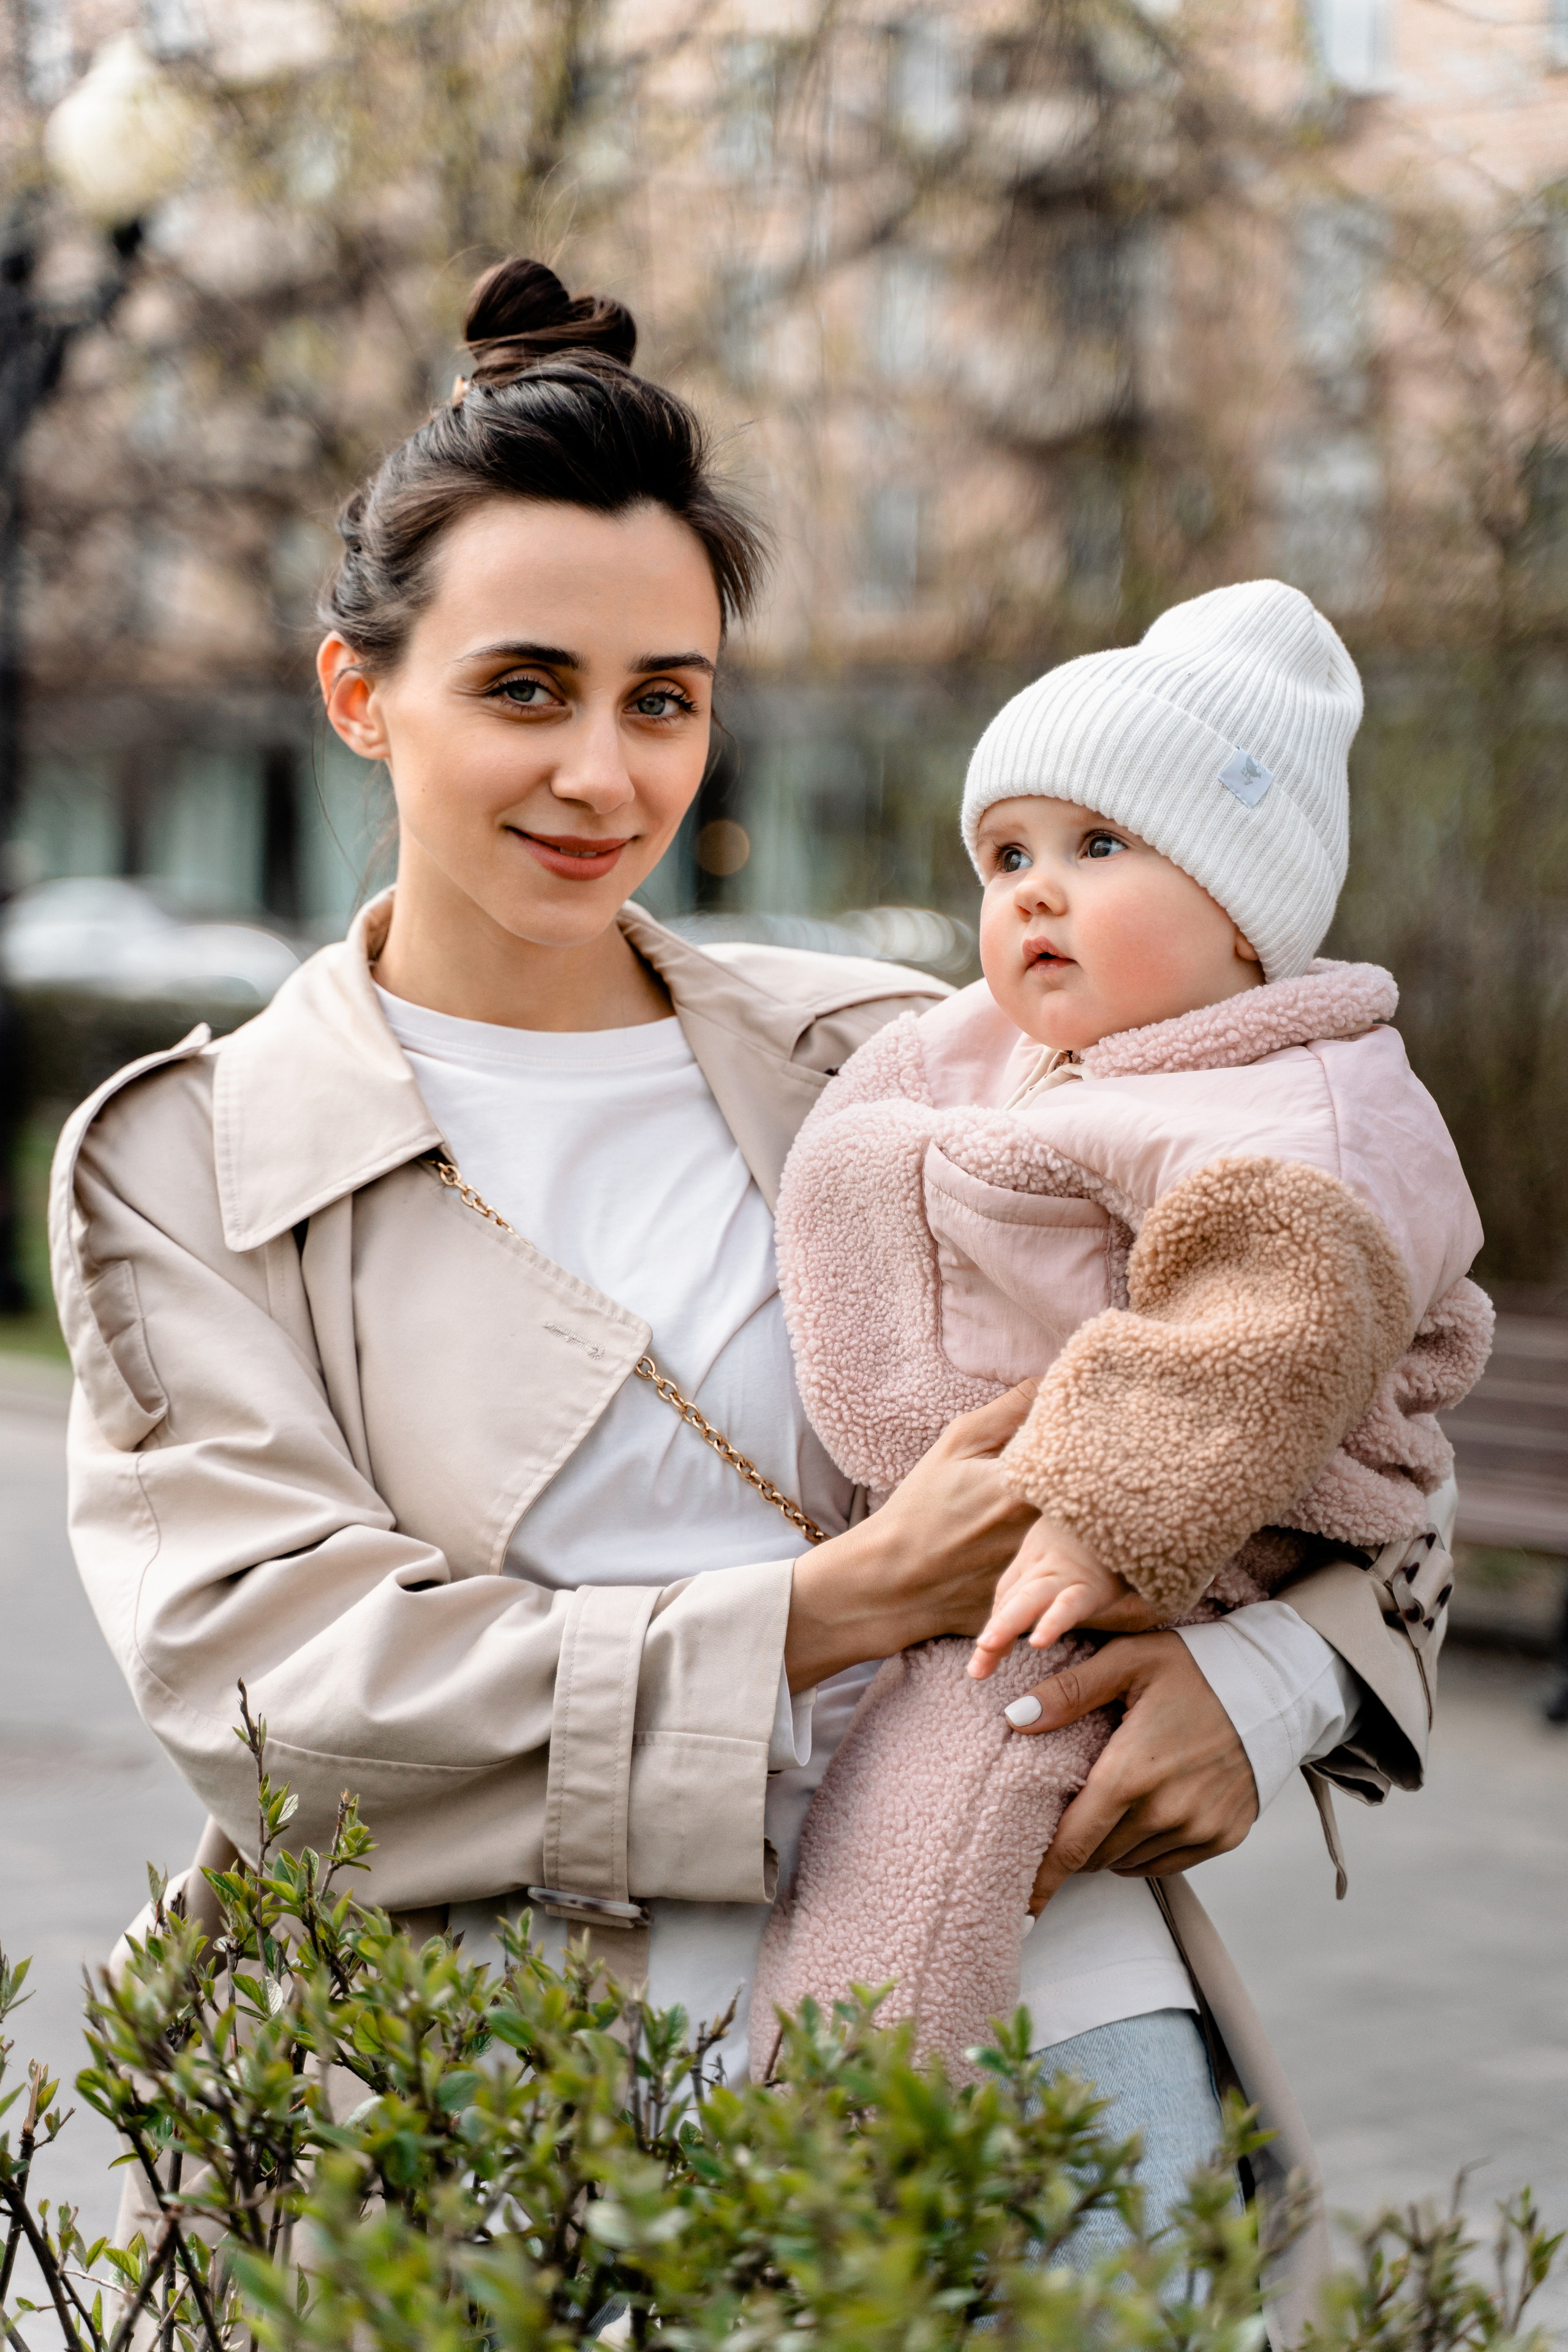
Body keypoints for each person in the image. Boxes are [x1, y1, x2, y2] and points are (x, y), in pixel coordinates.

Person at [47, 260, 1451, 2334]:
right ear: (364, 696)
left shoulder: (905, 1054)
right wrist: (851, 1602)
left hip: (1040, 2004)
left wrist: (1267, 1695)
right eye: (526, 687)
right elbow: (278, 1700)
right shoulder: (192, 1158)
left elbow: (1338, 1365)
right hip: (510, 2086)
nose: (606, 776)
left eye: (666, 698)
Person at [753, 583, 1491, 2095]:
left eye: (1097, 850)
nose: (1032, 893)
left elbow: (1269, 1316)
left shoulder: (1302, 1101)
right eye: (1007, 855)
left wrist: (1098, 1513)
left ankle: (842, 2107)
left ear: (1241, 909)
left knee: (958, 1775)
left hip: (1193, 1526)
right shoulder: (1024, 1051)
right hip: (1051, 1536)